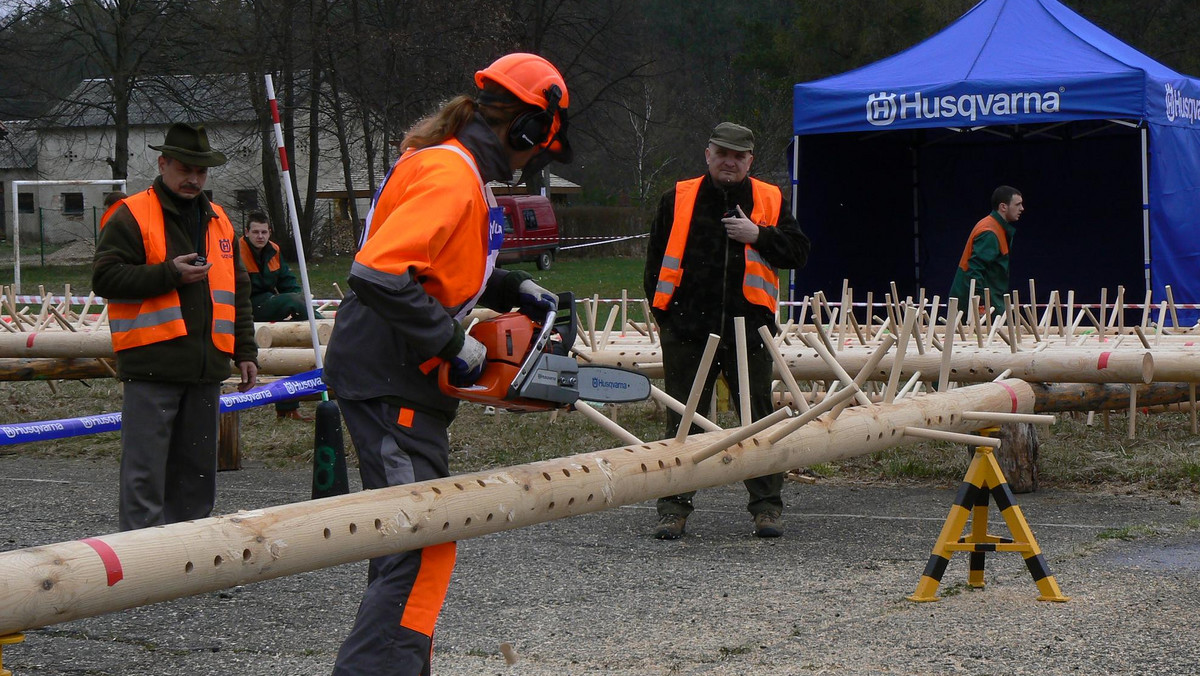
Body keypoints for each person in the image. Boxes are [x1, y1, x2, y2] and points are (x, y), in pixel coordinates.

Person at [323, 52, 572, 675]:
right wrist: (452, 343)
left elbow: (436, 267)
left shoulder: (457, 171)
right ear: (526, 130)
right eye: (538, 148)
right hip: (390, 371)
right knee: (419, 540)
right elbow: (378, 273)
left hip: (398, 371)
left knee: (415, 541)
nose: (535, 162)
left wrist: (511, 289)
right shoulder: (450, 173)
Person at [644, 122, 811, 541]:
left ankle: (767, 507)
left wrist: (759, 236)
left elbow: (799, 252)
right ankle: (673, 509)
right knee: (682, 422)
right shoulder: (677, 198)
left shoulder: (769, 198)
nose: (729, 161)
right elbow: (653, 266)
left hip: (749, 331)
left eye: (738, 156)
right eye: (722, 153)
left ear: (750, 161)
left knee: (758, 418)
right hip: (687, 331)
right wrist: (668, 321)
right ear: (708, 154)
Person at [93, 122, 258, 532]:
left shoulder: (219, 220)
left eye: (201, 172)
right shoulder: (131, 214)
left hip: (206, 370)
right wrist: (169, 274)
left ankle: (188, 562)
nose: (194, 179)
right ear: (163, 163)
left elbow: (237, 289)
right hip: (152, 366)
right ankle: (142, 565)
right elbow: (105, 279)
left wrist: (246, 351)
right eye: (185, 169)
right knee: (145, 476)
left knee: (198, 475)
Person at [239, 210, 316, 421]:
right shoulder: (237, 251)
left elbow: (286, 281)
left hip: (269, 303)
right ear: (247, 232)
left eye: (264, 232)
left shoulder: (274, 250)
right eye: (255, 232)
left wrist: (301, 297)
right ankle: (319, 329)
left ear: (270, 232)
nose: (260, 236)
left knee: (287, 352)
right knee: (292, 302)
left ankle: (287, 407)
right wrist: (296, 301)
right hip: (245, 306)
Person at [949, 185, 1025, 316]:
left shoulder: (996, 228)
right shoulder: (990, 232)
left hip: (991, 298)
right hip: (981, 302)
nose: (1021, 208)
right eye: (1018, 204)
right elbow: (975, 270)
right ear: (1003, 207)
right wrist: (980, 305)